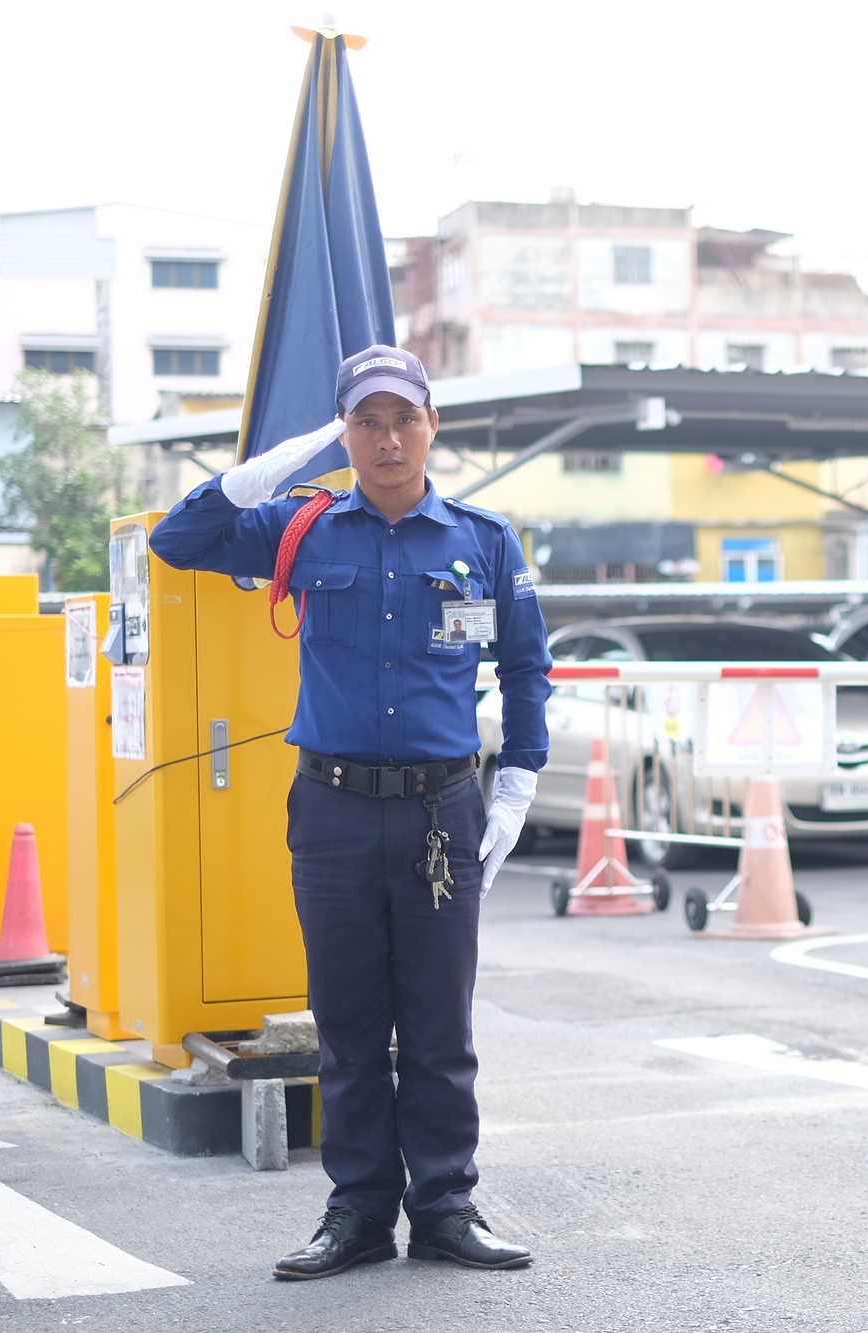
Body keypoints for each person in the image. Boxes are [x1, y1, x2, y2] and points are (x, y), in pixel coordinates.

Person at [149, 345, 549, 1280]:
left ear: (432, 424)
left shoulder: (482, 540)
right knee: (350, 1024)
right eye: (365, 421)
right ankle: (360, 1211)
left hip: (441, 810)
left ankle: (446, 1204)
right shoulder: (301, 528)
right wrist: (287, 459)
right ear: (344, 432)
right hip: (330, 809)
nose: (387, 437)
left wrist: (519, 781)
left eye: (403, 417)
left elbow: (527, 668)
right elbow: (179, 538)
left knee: (440, 1025)